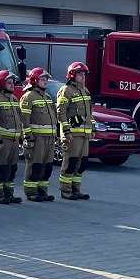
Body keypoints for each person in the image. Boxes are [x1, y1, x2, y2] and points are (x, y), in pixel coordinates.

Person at [19, 67, 58, 202]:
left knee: (47, 167)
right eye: (42, 79)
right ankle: (31, 192)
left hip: (49, 138)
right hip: (36, 139)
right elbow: (24, 119)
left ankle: (42, 191)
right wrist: (28, 137)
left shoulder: (47, 97)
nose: (46, 81)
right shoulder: (28, 97)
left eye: (46, 79)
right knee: (35, 165)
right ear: (35, 80)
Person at [57, 61, 94, 200]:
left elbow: (90, 113)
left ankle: (76, 189)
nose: (83, 77)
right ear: (72, 75)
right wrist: (66, 131)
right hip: (72, 134)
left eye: (84, 74)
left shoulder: (85, 90)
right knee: (70, 162)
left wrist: (93, 128)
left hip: (84, 134)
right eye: (80, 74)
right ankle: (66, 190)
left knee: (82, 163)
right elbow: (61, 112)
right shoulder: (66, 90)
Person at [0, 69, 25, 205]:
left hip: (14, 140)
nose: (12, 85)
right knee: (0, 168)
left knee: (12, 168)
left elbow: (19, 119)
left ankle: (9, 193)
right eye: (9, 83)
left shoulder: (14, 99)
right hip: (3, 141)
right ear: (1, 83)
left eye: (13, 83)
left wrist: (21, 136)